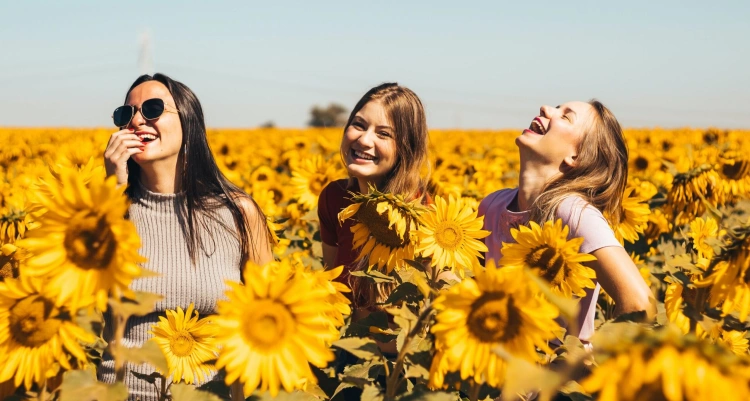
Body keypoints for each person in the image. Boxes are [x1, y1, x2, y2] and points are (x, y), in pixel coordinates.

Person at [100, 73, 273, 400]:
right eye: (126, 114)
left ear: (189, 120)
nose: (136, 120)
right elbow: (84, 307)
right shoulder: (107, 210)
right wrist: (112, 192)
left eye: (152, 109)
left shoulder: (238, 213)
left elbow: (268, 314)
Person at [478, 100, 655, 342]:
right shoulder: (492, 206)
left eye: (565, 117)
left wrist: (589, 364)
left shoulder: (572, 213)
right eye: (555, 107)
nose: (545, 109)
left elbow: (639, 303)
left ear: (576, 156)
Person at [317, 82, 430, 312]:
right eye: (358, 125)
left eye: (384, 134)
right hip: (343, 343)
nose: (364, 140)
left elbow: (434, 303)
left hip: (404, 347)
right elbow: (332, 285)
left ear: (406, 148)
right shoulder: (335, 198)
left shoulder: (426, 215)